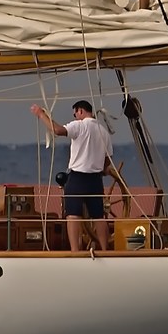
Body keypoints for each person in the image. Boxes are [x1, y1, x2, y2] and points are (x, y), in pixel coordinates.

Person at [30, 99, 115, 251]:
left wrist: (41, 114)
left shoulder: (79, 126)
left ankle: (75, 252)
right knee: (99, 216)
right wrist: (103, 169)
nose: (75, 117)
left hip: (78, 179)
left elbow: (57, 130)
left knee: (73, 215)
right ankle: (105, 250)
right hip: (95, 180)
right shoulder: (103, 131)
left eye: (75, 114)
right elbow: (108, 159)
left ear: (80, 111)